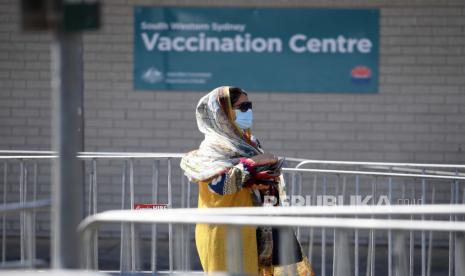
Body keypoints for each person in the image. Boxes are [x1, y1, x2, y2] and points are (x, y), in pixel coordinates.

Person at [181, 86, 313, 275]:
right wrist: (253, 162)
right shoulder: (211, 149)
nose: (248, 111)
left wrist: (261, 179)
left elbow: (251, 179)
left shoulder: (249, 143)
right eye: (242, 107)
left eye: (249, 105)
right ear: (223, 113)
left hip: (254, 229)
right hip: (223, 230)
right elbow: (220, 185)